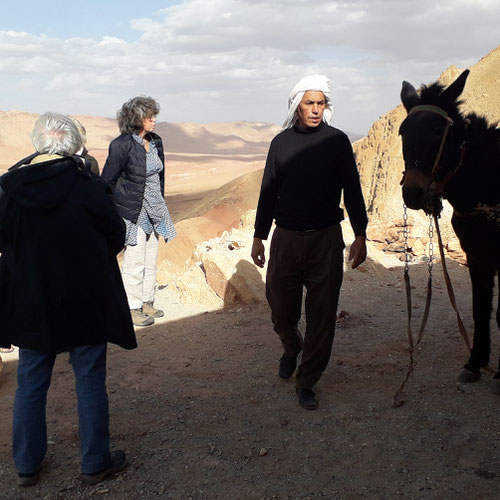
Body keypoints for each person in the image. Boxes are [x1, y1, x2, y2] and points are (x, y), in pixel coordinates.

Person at [0, 112, 136, 486]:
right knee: (90, 379)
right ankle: (95, 461)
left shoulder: (10, 189)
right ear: (76, 144)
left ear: (37, 144)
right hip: (85, 300)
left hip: (32, 304)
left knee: (30, 382)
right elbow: (116, 235)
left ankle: (26, 465)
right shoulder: (88, 186)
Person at [251, 74, 368, 410]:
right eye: (309, 103)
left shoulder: (337, 142)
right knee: (281, 310)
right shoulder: (280, 143)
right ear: (297, 106)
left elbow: (353, 190)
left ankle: (307, 379)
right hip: (285, 239)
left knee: (322, 314)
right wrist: (259, 236)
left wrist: (360, 234)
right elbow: (268, 192)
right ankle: (291, 346)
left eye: (321, 103)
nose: (315, 110)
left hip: (326, 240)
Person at [101, 96, 176, 327]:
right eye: (148, 116)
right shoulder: (121, 145)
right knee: (134, 261)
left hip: (155, 208)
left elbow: (159, 176)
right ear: (136, 119)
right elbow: (107, 180)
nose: (153, 120)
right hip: (132, 211)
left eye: (154, 115)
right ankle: (132, 307)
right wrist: (114, 212)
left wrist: (159, 202)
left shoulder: (155, 141)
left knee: (151, 258)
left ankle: (147, 301)